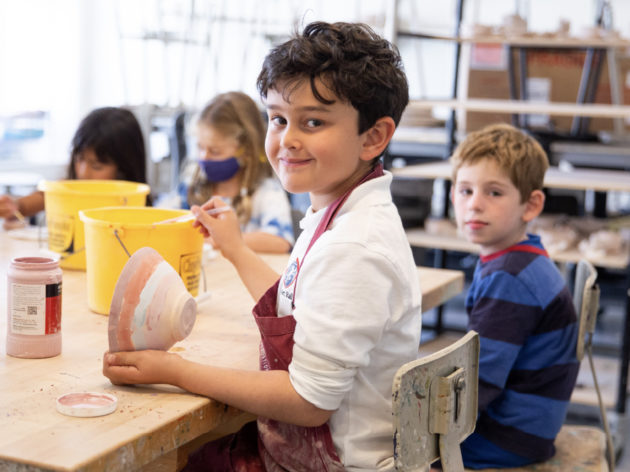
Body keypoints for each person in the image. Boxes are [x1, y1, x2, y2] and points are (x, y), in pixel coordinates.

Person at [102, 21, 422, 471]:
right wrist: (234, 248)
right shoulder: (337, 209)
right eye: (278, 118)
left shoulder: (355, 246)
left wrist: (175, 372)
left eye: (313, 122)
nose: (287, 139)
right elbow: (296, 310)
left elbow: (309, 401)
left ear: (374, 136)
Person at [450, 123, 579, 468]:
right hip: (528, 428)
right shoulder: (520, 258)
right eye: (465, 191)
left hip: (508, 438)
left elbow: (480, 382)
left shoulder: (509, 277)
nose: (474, 205)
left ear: (531, 205)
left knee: (383, 445)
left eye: (494, 193)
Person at [179, 91, 294, 253]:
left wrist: (221, 240)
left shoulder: (266, 192)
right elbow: (161, 220)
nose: (204, 158)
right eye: (200, 148)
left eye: (215, 151)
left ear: (246, 151)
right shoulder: (191, 188)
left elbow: (281, 242)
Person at [0, 107, 150, 228]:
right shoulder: (67, 190)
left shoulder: (135, 206)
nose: (84, 172)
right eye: (79, 159)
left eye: (97, 166)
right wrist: (15, 206)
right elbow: (40, 198)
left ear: (125, 169)